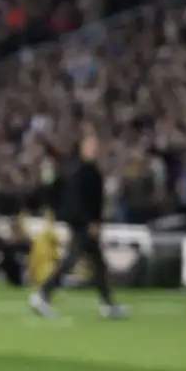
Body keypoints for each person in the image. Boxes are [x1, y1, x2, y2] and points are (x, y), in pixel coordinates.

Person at [31, 134, 128, 320]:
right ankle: (43, 294)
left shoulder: (87, 170)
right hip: (83, 224)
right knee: (72, 260)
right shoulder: (82, 172)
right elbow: (78, 202)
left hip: (87, 223)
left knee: (98, 264)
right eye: (91, 145)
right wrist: (89, 222)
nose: (96, 148)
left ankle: (108, 304)